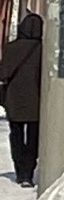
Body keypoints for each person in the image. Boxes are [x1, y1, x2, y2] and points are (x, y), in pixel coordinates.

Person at [1, 11, 42, 186]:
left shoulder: (11, 48)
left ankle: (20, 171)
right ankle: (29, 171)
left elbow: (3, 74)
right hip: (37, 100)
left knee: (16, 135)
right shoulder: (43, 49)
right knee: (33, 136)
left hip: (14, 100)